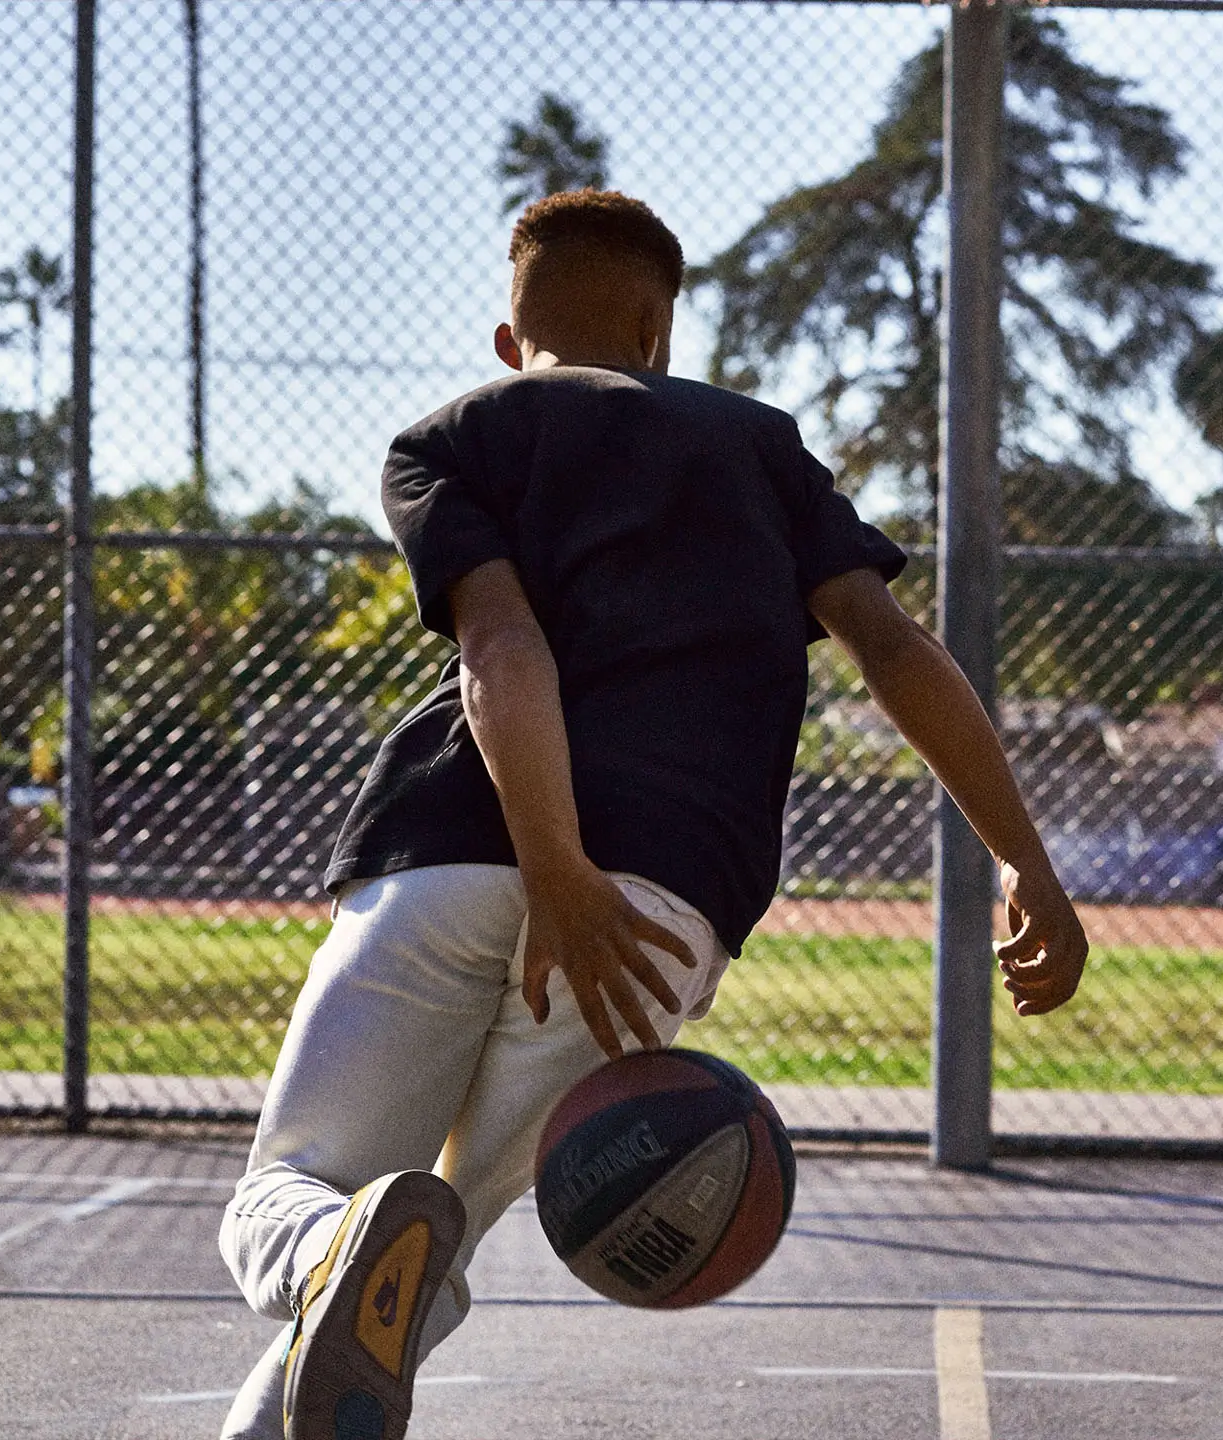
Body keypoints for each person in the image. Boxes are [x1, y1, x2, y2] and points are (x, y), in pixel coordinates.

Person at [216, 189, 1089, 1440]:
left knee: (292, 1195)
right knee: (422, 1266)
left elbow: (503, 646)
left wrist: (553, 861)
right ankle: (348, 1265)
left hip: (450, 855)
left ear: (512, 340)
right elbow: (895, 652)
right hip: (662, 914)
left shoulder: (458, 431)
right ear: (654, 323)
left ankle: (323, 1247)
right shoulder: (761, 444)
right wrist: (1026, 860)